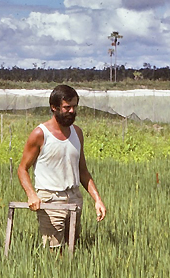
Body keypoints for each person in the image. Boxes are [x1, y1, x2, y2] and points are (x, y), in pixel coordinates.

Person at [17, 84, 106, 248]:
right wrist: (31, 195)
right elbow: (22, 168)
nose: (72, 111)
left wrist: (97, 199)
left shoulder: (77, 133)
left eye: (74, 106)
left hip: (74, 197)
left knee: (74, 245)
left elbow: (83, 171)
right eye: (67, 107)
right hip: (51, 200)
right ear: (54, 107)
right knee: (54, 250)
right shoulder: (40, 134)